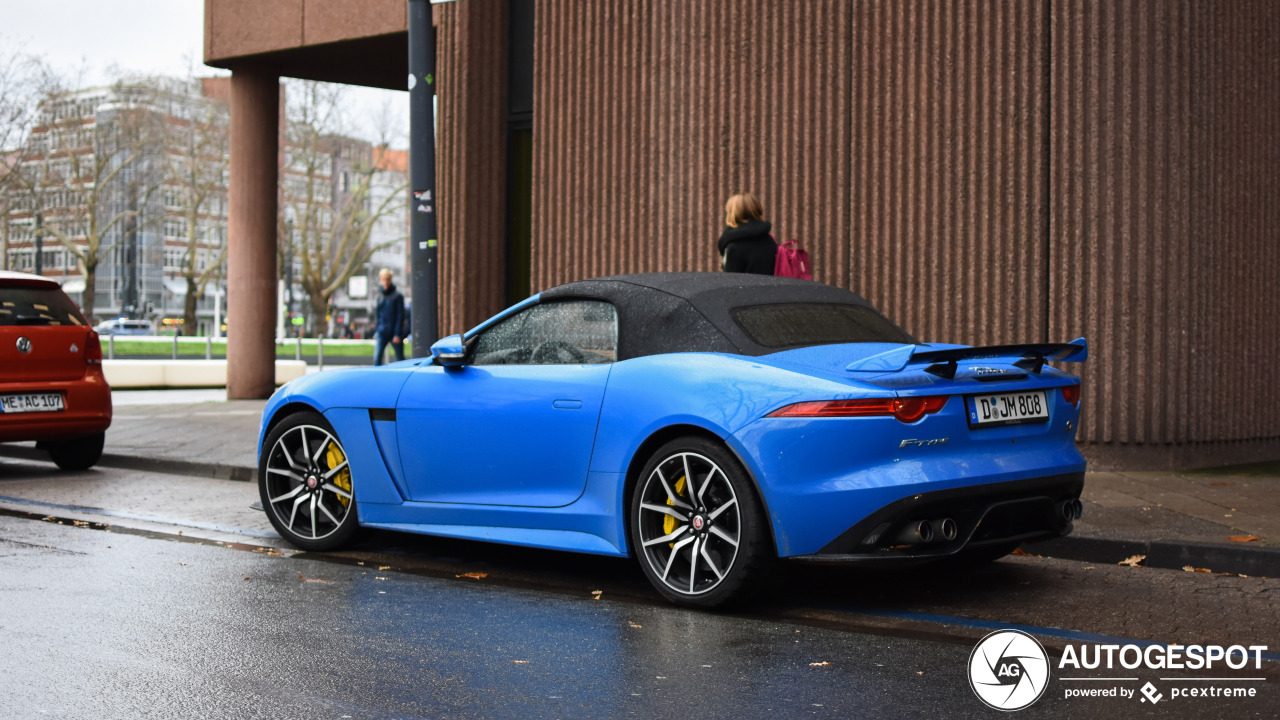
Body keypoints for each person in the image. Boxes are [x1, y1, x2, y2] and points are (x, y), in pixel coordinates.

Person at [717, 192, 777, 275]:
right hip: (772, 287)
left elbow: (729, 282)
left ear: (732, 214)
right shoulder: (770, 240)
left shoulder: (734, 246)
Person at [373, 268, 405, 365]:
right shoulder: (379, 297)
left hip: (394, 332)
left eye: (387, 279)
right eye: (383, 279)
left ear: (391, 280)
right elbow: (377, 316)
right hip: (382, 332)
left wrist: (397, 334)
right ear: (381, 280)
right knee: (377, 359)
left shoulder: (397, 296)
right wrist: (377, 331)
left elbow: (400, 316)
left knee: (400, 360)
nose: (385, 281)